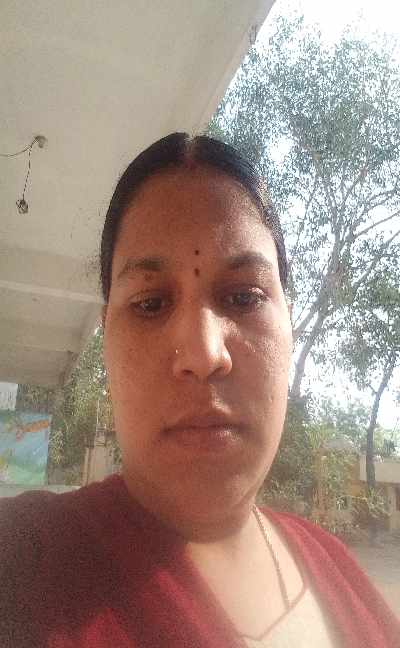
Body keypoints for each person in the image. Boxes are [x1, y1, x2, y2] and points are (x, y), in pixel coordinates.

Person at [0, 133, 399, 648]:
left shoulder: (336, 567)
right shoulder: (26, 561)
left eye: (244, 296)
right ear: (107, 339)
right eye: (150, 304)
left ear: (290, 324)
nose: (204, 354)